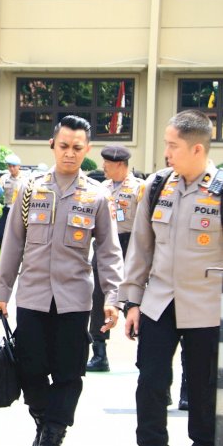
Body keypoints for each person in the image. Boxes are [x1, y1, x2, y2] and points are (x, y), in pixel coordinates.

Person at [0, 115, 123, 446]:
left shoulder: (97, 196)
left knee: (69, 374)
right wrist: (1, 292)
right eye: (64, 146)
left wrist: (113, 297)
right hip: (33, 296)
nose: (69, 153)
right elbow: (12, 245)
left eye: (77, 148)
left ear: (87, 150)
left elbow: (109, 253)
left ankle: (50, 438)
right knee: (29, 370)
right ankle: (45, 421)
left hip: (74, 301)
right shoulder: (29, 190)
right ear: (53, 145)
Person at [121, 110, 222, 446]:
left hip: (207, 308)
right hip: (159, 302)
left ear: (197, 149)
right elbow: (140, 249)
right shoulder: (157, 185)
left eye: (173, 145)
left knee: (203, 387)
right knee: (150, 381)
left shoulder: (220, 191)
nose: (166, 152)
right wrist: (132, 302)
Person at [85, 145, 142, 372]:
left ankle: (146, 353)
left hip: (130, 245)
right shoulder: (102, 188)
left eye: (107, 163)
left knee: (134, 299)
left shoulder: (139, 188)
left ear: (119, 164)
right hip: (105, 246)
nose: (103, 167)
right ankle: (99, 353)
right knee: (98, 299)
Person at [0, 153, 27, 249]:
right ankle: (4, 256)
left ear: (19, 166)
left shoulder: (25, 179)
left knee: (19, 236)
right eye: (9, 166)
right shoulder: (5, 178)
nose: (11, 168)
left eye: (14, 166)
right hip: (8, 208)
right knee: (1, 235)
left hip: (20, 210)